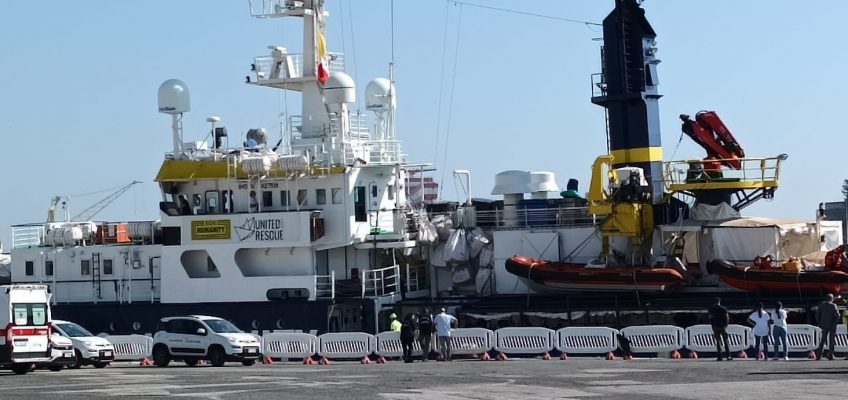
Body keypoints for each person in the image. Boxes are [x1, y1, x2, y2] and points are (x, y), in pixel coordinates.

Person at [816, 293, 841, 360]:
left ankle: (819, 355)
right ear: (832, 298)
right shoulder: (833, 305)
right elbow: (838, 315)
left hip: (824, 325)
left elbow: (817, 314)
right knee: (831, 341)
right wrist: (835, 323)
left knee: (822, 340)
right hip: (832, 325)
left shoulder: (821, 305)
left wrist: (819, 323)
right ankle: (830, 355)